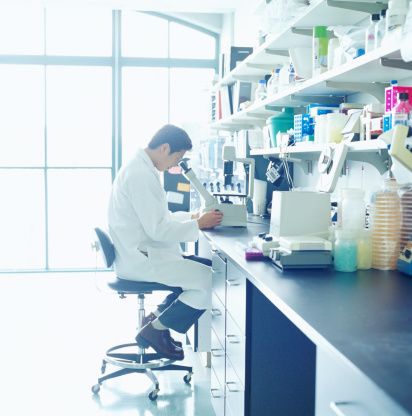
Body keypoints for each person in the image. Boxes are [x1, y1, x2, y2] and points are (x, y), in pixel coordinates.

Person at [108, 124, 223, 361]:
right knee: (209, 280)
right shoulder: (140, 175)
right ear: (164, 148)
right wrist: (199, 225)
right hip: (140, 259)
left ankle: (157, 319)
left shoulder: (141, 168)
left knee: (203, 268)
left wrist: (192, 218)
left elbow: (158, 219)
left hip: (140, 252)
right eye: (177, 158)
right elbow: (158, 229)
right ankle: (155, 330)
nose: (174, 165)